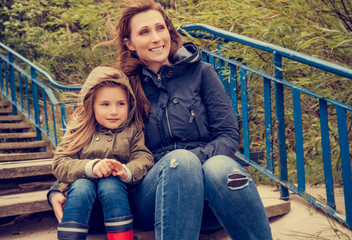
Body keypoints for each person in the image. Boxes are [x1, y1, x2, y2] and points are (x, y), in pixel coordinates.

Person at [49, 0, 273, 239]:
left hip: (208, 190)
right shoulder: (123, 86)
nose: (156, 38)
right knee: (181, 162)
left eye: (160, 28)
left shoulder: (202, 73)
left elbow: (228, 137)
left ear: (169, 31)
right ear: (129, 43)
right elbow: (91, 137)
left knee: (223, 168)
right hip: (151, 194)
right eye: (144, 32)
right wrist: (57, 188)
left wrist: (194, 162)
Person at [51, 66, 154, 240]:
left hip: (119, 208)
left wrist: (126, 171)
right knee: (83, 185)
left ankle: (122, 237)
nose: (113, 111)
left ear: (129, 104)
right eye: (105, 104)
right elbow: (60, 163)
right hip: (84, 211)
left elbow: (144, 157)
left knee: (110, 182)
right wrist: (91, 167)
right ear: (91, 104)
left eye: (120, 104)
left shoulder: (133, 130)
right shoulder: (79, 129)